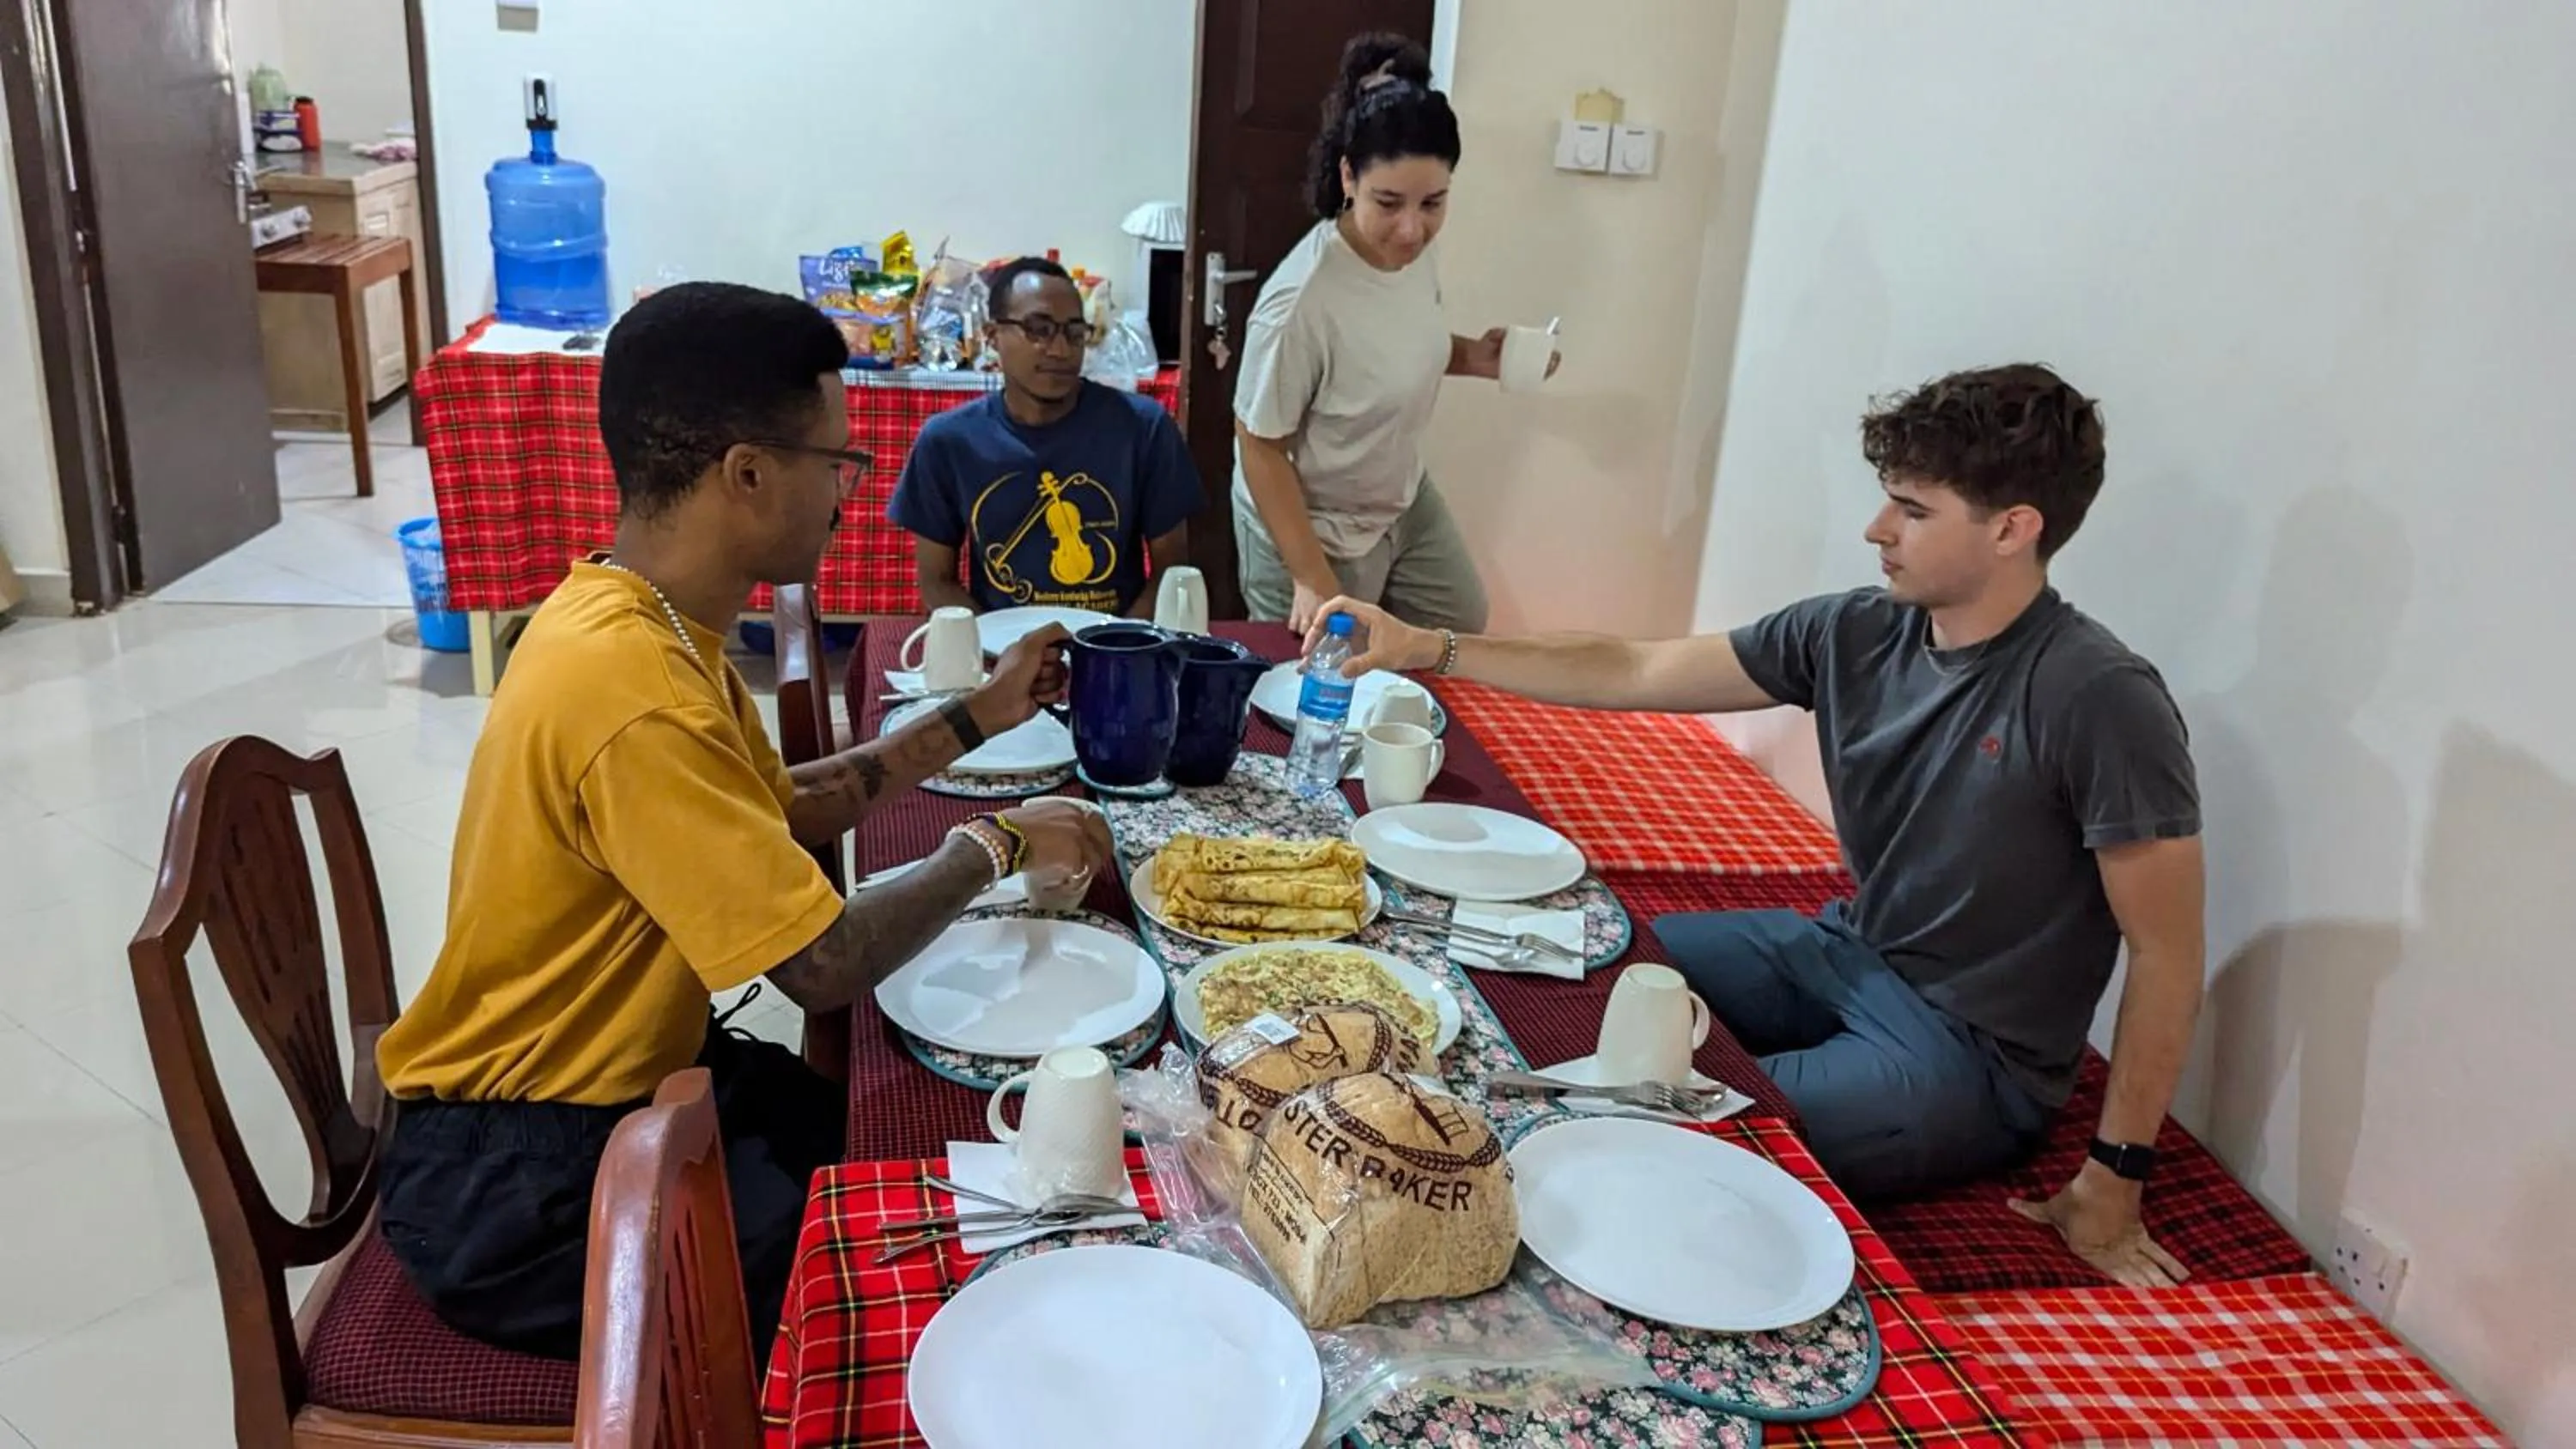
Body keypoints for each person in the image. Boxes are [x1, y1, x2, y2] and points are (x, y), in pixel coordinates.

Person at [1311, 364, 2204, 1288]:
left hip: (1970, 1052)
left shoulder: (2097, 695)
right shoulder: (1860, 630)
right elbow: (1630, 667)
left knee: (1654, 1129)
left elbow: (2169, 953)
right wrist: (1432, 647)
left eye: (1913, 509)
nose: (1877, 529)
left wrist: (2116, 1175)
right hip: (1842, 948)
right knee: (1575, 955)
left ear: (2015, 528)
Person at [372, 282, 1116, 1361]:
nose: (848, 496)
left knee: (896, 1143)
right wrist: (995, 843)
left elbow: (787, 803)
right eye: (840, 464)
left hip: (619, 1089)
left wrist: (980, 714)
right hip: (518, 1175)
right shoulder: (636, 694)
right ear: (749, 473)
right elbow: (819, 965)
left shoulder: (637, 614)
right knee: (903, 1289)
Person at [1233, 59, 1551, 636]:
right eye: (1388, 203)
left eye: (1432, 203)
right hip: (1314, 519)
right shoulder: (1300, 305)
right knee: (1323, 679)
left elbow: (1392, 344)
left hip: (1398, 494)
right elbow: (1259, 445)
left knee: (1455, 620)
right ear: (1349, 177)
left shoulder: (1412, 255)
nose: (1412, 229)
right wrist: (1310, 576)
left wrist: (1474, 356)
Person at [890, 256, 1201, 617]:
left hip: (1113, 645)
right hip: (998, 651)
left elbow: (1171, 571)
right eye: (1039, 329)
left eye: (1074, 332)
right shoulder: (948, 441)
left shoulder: (1144, 428)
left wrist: (1116, 652)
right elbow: (937, 581)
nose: (1061, 350)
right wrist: (1001, 653)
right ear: (992, 336)